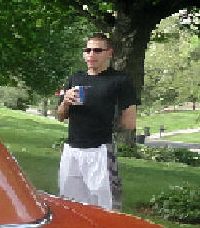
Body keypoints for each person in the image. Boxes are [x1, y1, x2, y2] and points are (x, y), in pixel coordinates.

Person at [55, 33, 139, 209]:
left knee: (105, 207)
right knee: (70, 205)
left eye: (97, 50)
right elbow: (60, 116)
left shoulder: (120, 81)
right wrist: (65, 101)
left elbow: (129, 122)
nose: (91, 54)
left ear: (109, 53)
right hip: (72, 150)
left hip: (100, 150)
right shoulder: (75, 79)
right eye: (88, 50)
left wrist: (108, 119)